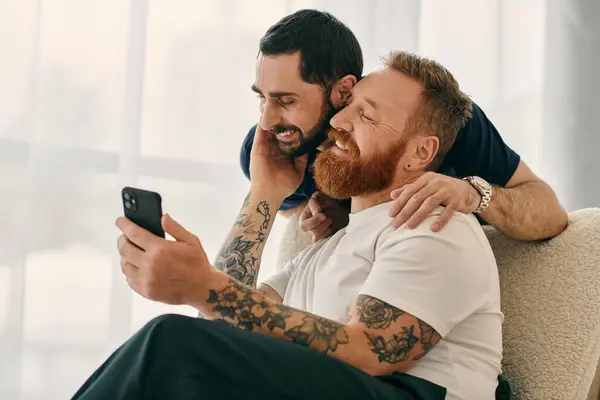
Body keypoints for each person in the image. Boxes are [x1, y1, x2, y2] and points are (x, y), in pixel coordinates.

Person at [72, 50, 501, 400]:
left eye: (366, 117)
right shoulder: (324, 249)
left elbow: (373, 350)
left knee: (170, 342)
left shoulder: (435, 225)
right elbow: (223, 331)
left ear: (419, 153)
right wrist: (264, 191)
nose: (337, 122)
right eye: (346, 106)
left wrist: (205, 287)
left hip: (405, 392)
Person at [239, 9, 567, 244]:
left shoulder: (434, 117)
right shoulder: (274, 143)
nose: (267, 121)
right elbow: (290, 205)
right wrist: (337, 206)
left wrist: (472, 194)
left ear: (343, 91)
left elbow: (550, 213)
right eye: (261, 98)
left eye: (286, 101)